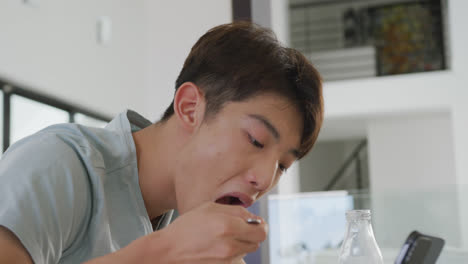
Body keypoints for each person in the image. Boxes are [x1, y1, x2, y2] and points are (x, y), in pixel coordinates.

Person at [0, 21, 323, 264]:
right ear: (190, 108)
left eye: (282, 166)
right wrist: (164, 250)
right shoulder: (58, 163)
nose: (264, 180)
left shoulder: (188, 209)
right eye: (255, 140)